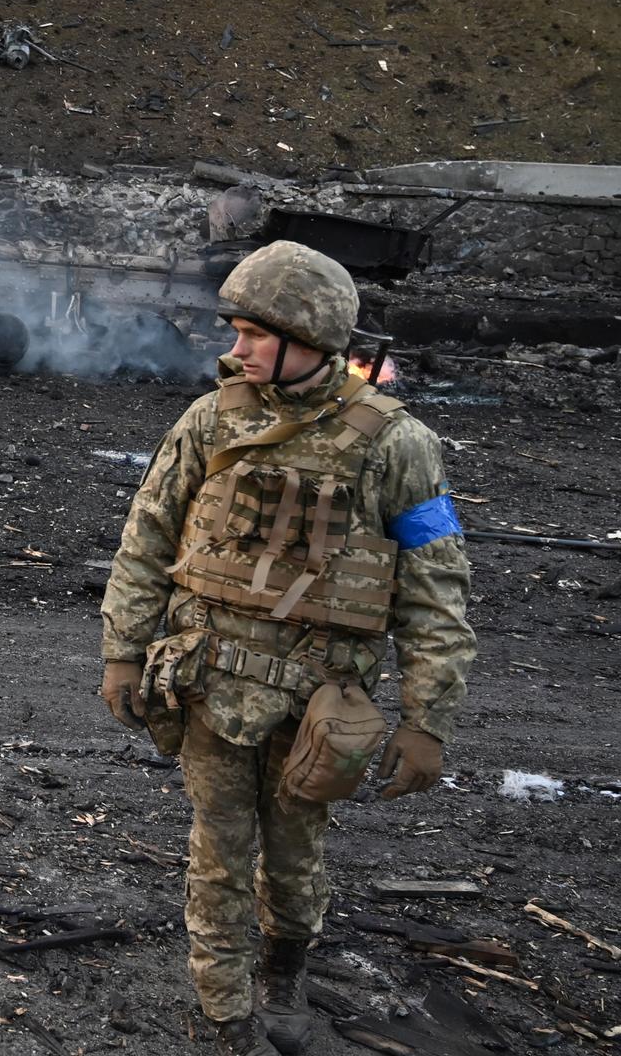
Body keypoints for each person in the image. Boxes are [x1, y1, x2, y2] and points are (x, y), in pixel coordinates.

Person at [99, 240, 475, 1056]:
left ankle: (285, 968)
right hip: (209, 681)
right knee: (219, 854)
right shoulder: (212, 419)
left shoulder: (397, 444)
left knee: (298, 852)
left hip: (321, 700)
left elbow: (436, 588)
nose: (233, 350)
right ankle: (226, 1015)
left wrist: (426, 719)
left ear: (310, 338)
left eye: (251, 334)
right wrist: (123, 650)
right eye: (235, 331)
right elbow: (148, 535)